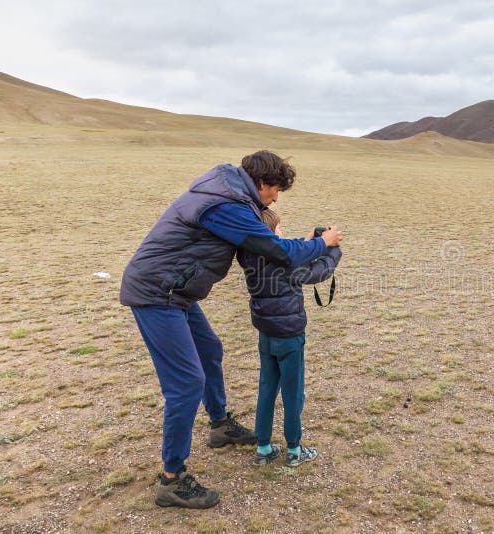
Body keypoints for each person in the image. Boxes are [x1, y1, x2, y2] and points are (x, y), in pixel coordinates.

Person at [119, 151, 343, 509]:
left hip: (177, 291)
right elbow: (276, 251)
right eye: (275, 190)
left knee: (210, 351)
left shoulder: (228, 191)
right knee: (186, 384)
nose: (275, 197)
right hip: (157, 292)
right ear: (261, 183)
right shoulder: (228, 205)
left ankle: (220, 424)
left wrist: (299, 242)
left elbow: (269, 246)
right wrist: (323, 244)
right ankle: (172, 479)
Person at [237, 209, 342, 467]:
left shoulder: (251, 258)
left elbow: (286, 249)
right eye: (279, 231)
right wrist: (333, 250)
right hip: (290, 338)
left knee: (267, 389)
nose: (282, 234)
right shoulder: (288, 264)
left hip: (266, 334)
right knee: (293, 393)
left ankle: (263, 447)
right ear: (271, 236)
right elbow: (321, 271)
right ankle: (294, 450)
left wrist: (309, 241)